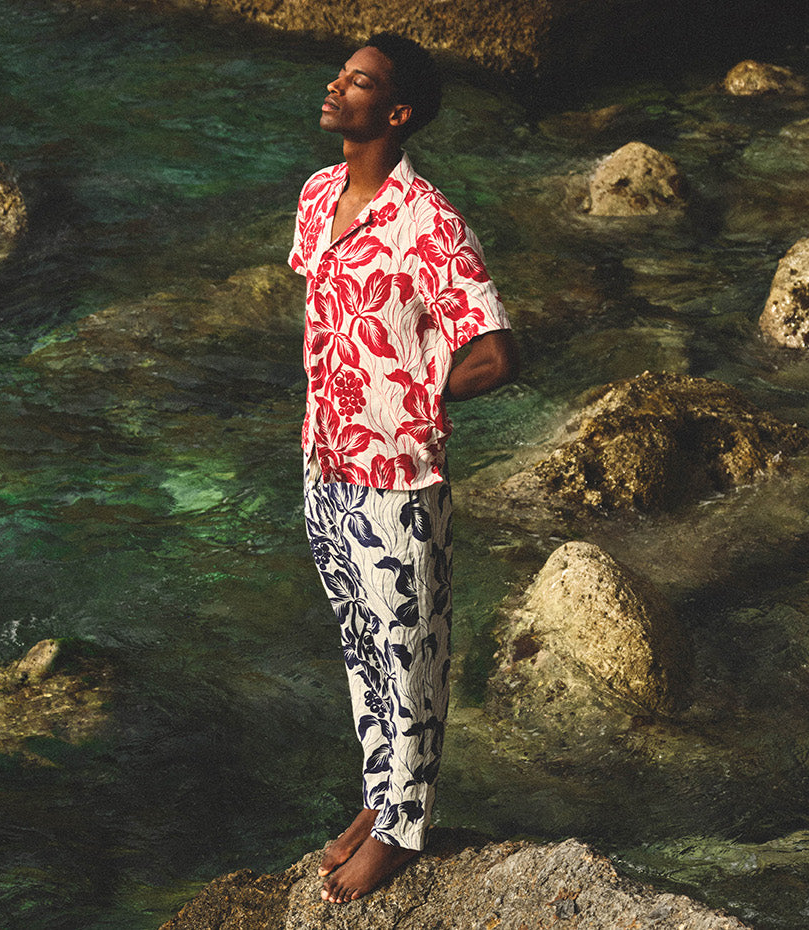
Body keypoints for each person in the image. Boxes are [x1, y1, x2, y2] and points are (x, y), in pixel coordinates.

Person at [286, 32, 518, 904]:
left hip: (396, 482)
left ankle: (403, 834)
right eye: (341, 74)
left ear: (397, 112)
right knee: (361, 651)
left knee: (410, 656)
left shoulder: (430, 222)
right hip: (322, 464)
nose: (336, 88)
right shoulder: (316, 198)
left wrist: (411, 401)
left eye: (360, 82)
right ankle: (380, 800)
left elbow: (496, 354)